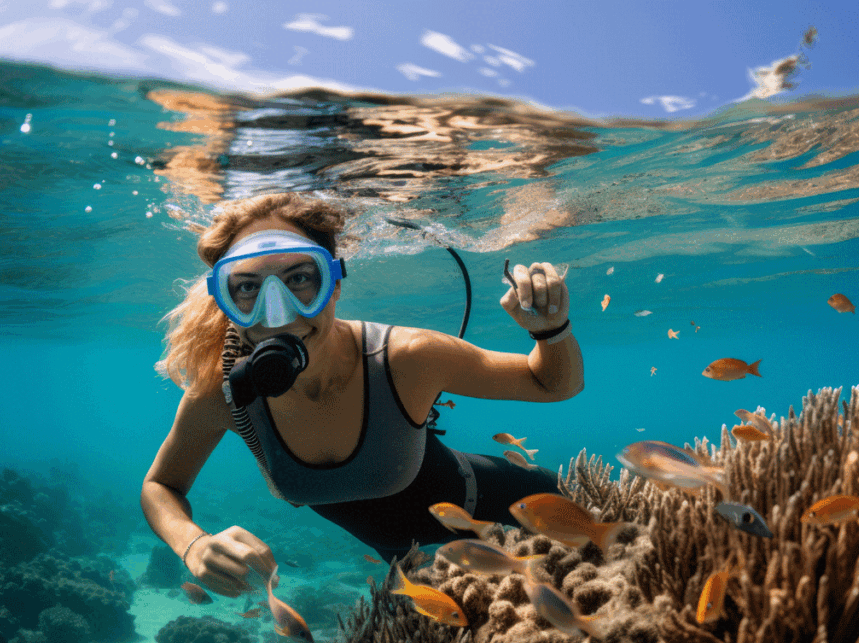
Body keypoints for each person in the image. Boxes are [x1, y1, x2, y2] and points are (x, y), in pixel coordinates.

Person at [141, 193, 583, 597]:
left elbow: (552, 383)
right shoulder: (224, 396)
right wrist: (192, 543)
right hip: (419, 568)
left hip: (525, 507)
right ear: (224, 299)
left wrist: (551, 330)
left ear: (334, 282)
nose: (277, 313)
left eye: (299, 278)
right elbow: (160, 485)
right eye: (248, 287)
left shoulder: (405, 358)